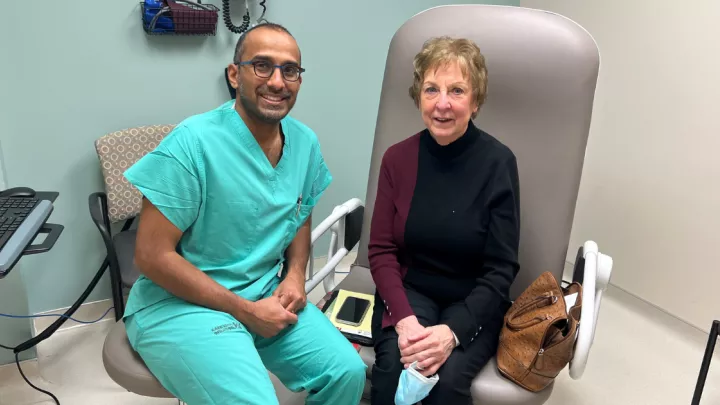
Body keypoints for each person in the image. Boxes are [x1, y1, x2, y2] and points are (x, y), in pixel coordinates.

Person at [122, 23, 366, 405]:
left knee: (346, 373)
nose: (277, 81)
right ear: (235, 75)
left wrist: (297, 275)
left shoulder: (304, 143)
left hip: (265, 293)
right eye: (262, 66)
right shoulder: (193, 143)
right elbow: (151, 256)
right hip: (180, 305)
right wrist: (245, 312)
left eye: (290, 70)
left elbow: (300, 213)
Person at [367, 36, 521, 405]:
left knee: (449, 383)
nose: (443, 104)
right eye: (431, 89)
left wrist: (452, 333)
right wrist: (405, 321)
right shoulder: (397, 159)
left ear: (476, 100)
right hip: (409, 291)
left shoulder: (499, 164)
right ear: (418, 96)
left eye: (457, 90)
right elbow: (381, 250)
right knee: (393, 369)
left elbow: (501, 268)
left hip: (473, 297)